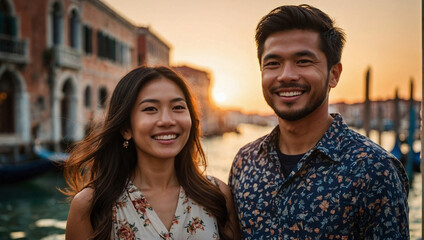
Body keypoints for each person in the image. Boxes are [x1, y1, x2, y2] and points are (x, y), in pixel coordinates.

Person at [228, 4, 409, 239]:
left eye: (303, 61)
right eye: (273, 63)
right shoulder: (245, 162)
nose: (286, 75)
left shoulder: (375, 170)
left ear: (334, 74)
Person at [63, 66, 240, 239]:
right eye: (150, 109)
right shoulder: (90, 206)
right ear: (126, 128)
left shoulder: (217, 196)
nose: (167, 120)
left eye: (177, 107)